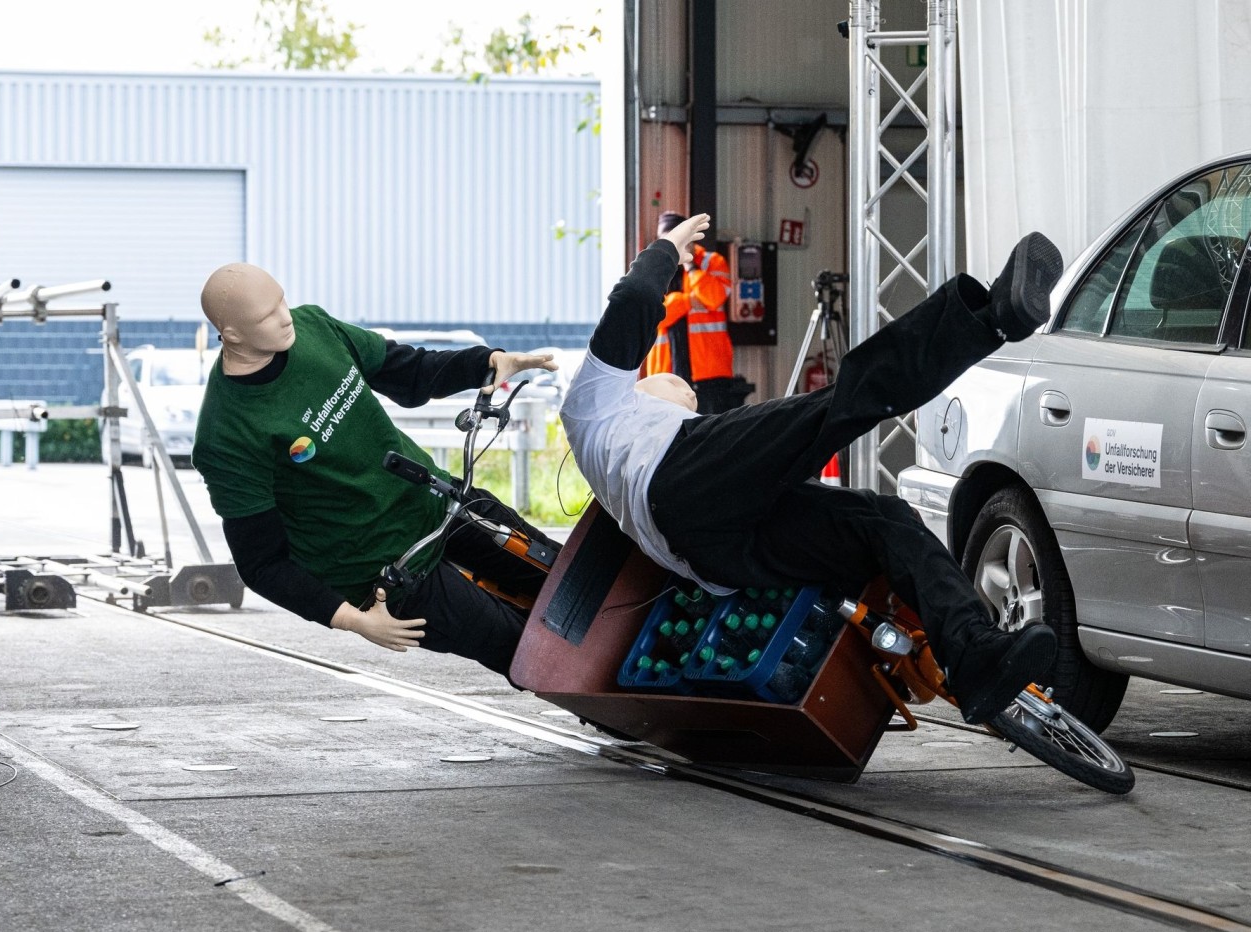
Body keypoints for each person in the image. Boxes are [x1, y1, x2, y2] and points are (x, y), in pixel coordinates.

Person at [562, 214, 1062, 724]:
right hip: (683, 479)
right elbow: (632, 304)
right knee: (835, 407)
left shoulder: (621, 462)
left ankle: (973, 653)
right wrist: (664, 249)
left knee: (881, 520)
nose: (685, 389)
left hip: (719, 556)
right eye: (673, 383)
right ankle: (990, 318)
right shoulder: (594, 406)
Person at [191, 262, 558, 679]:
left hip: (437, 503)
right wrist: (352, 619)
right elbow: (262, 564)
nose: (284, 317)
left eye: (282, 301)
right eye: (266, 316)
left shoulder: (314, 327)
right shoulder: (226, 434)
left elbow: (407, 370)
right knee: (530, 652)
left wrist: (486, 363)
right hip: (387, 571)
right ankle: (625, 721)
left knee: (567, 581)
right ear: (233, 334)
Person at [644, 210, 739, 413]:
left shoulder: (712, 262)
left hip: (710, 374)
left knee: (712, 437)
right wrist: (688, 300)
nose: (674, 245)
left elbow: (715, 297)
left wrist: (690, 265)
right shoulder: (652, 267)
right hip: (665, 376)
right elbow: (654, 317)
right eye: (668, 239)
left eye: (679, 237)